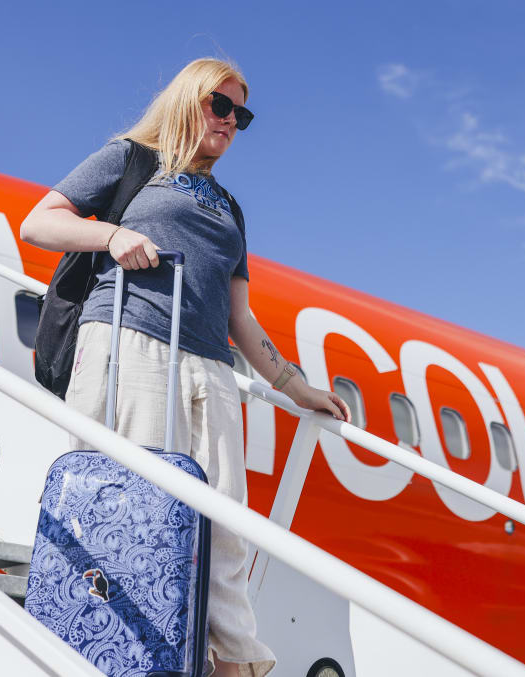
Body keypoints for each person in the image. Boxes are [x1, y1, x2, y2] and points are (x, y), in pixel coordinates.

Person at [21, 57, 349, 677]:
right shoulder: (132, 160)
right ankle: (112, 652)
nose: (229, 122)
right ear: (186, 100)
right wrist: (111, 237)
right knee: (132, 513)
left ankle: (238, 663)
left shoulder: (230, 209)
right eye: (219, 105)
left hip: (212, 370)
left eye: (241, 115)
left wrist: (296, 387)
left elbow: (240, 318)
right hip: (129, 343)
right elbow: (41, 221)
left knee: (224, 530)